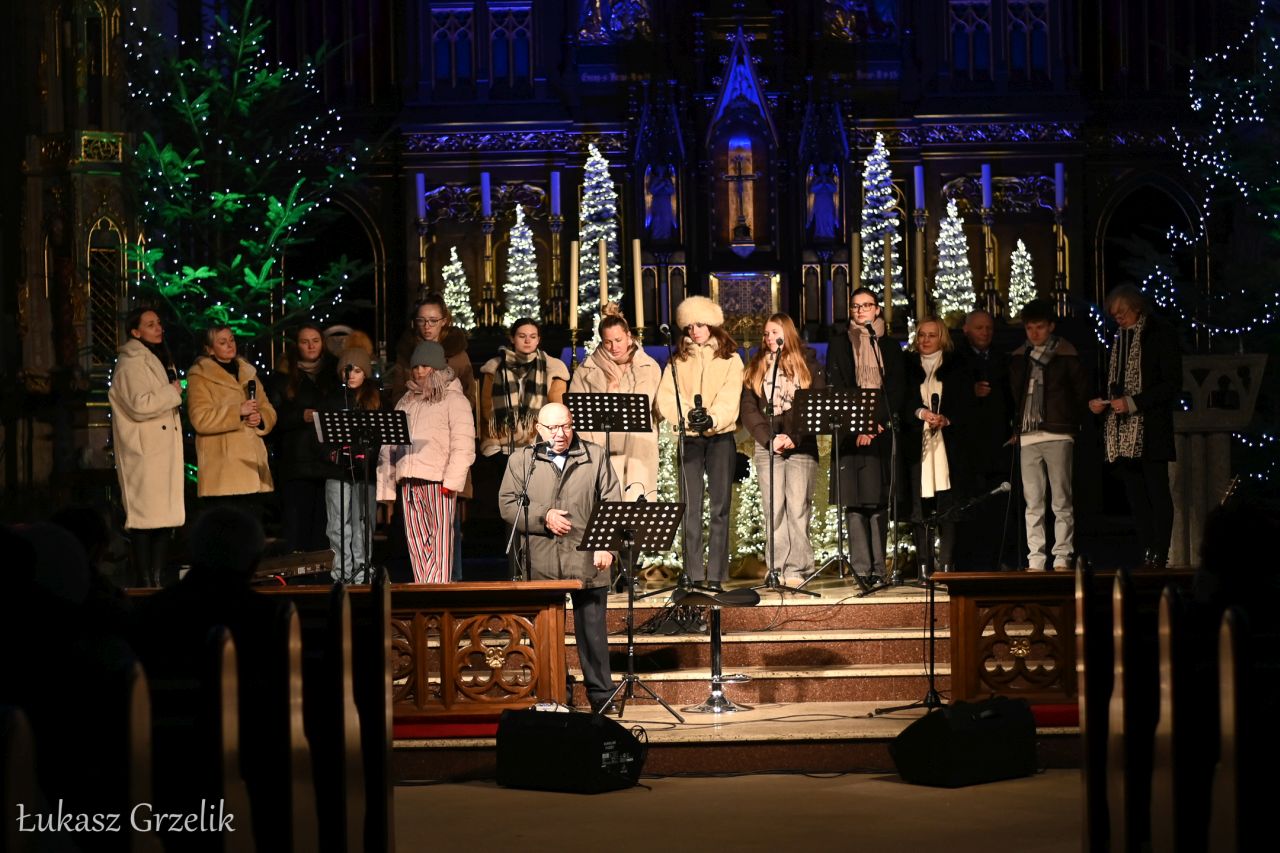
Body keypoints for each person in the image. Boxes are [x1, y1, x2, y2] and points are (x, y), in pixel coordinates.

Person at [497, 403, 619, 712]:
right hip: (542, 560)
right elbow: (507, 504)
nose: (560, 434)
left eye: (565, 426)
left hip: (587, 557)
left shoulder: (595, 456)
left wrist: (607, 545)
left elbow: (611, 502)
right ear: (538, 429)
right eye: (552, 428)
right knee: (549, 635)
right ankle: (555, 696)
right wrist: (543, 517)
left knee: (592, 634)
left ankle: (601, 697)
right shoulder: (523, 460)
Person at [1089, 285, 1183, 569]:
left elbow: (1171, 384)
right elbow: (1114, 382)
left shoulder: (1159, 334)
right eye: (1114, 315)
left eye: (1122, 312)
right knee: (1136, 496)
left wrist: (1133, 403)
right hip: (1121, 432)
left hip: (1150, 429)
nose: (1117, 318)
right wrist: (1103, 403)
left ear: (1137, 307)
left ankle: (1160, 551)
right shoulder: (1120, 338)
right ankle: (1146, 550)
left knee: (1157, 492)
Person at [655, 296, 744, 591]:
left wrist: (713, 418)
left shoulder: (731, 359)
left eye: (701, 324)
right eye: (690, 326)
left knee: (720, 507)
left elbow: (732, 396)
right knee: (690, 507)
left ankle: (716, 576)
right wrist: (687, 418)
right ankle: (693, 575)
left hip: (720, 438)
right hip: (690, 439)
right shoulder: (678, 359)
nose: (695, 331)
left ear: (713, 326)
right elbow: (666, 396)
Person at [378, 341, 476, 583]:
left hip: (438, 481)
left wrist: (452, 482)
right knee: (416, 542)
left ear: (437, 368)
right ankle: (424, 591)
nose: (420, 371)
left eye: (425, 366)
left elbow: (463, 445)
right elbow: (388, 447)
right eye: (416, 367)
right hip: (409, 482)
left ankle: (438, 594)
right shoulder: (406, 402)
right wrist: (386, 488)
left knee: (440, 543)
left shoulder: (454, 400)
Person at [740, 312, 826, 583]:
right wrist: (769, 439)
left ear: (787, 333)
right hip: (769, 446)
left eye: (774, 332)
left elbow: (814, 403)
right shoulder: (757, 365)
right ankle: (777, 569)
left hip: (800, 445)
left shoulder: (809, 364)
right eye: (765, 333)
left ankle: (797, 568)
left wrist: (793, 436)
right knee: (774, 508)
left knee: (798, 507)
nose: (769, 338)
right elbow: (749, 408)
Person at [826, 287, 905, 581]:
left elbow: (896, 389)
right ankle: (861, 569)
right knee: (855, 500)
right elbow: (839, 387)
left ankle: (880, 569)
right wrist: (858, 426)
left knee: (877, 499)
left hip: (880, 432)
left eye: (867, 306)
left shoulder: (890, 346)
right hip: (849, 433)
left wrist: (874, 425)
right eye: (856, 307)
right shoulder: (839, 344)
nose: (861, 311)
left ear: (877, 310)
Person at [107, 306, 185, 586]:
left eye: (159, 323)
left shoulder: (159, 359)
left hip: (160, 452)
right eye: (150, 324)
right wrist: (172, 392)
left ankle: (157, 580)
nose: (158, 328)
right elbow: (140, 404)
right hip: (145, 454)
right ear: (135, 331)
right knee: (145, 520)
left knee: (163, 520)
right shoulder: (130, 363)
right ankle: (144, 584)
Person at [1009, 299, 1088, 571]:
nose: (1034, 333)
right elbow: (1015, 396)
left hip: (1059, 432)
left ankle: (1063, 555)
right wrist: (1016, 428)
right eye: (1029, 328)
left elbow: (1079, 392)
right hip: (1029, 435)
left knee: (1061, 499)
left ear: (1051, 327)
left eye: (1040, 327)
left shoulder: (1065, 353)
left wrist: (1072, 422)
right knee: (1033, 501)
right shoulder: (1020, 356)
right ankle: (1036, 558)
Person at [901, 318, 974, 575]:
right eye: (921, 335)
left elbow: (965, 401)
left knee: (948, 505)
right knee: (919, 507)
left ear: (941, 337)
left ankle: (946, 565)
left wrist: (946, 418)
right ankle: (924, 566)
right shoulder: (907, 365)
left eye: (931, 335)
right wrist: (922, 413)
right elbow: (902, 399)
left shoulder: (956, 365)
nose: (925, 340)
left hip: (948, 444)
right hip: (917, 445)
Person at [567, 307, 662, 501]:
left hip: (638, 449)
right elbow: (576, 414)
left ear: (628, 336)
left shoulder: (648, 366)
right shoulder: (586, 370)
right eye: (608, 342)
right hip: (602, 450)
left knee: (638, 510)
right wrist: (591, 448)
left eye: (618, 340)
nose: (613, 347)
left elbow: (657, 407)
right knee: (605, 510)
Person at [186, 325, 278, 512]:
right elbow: (200, 419)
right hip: (223, 472)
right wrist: (237, 411)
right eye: (222, 342)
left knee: (252, 529)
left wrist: (260, 419)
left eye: (231, 340)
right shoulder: (200, 376)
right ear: (210, 349)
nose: (230, 345)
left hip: (252, 466)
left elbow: (267, 407)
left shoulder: (247, 372)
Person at [952, 309, 1016, 570]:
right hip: (968, 444)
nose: (985, 333)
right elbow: (950, 396)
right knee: (969, 504)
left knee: (996, 506)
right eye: (979, 328)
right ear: (966, 330)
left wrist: (1015, 426)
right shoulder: (956, 359)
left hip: (997, 441)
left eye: (988, 328)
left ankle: (996, 559)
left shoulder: (1002, 358)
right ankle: (967, 563)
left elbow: (1012, 395)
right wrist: (971, 392)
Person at [266, 322, 338, 552]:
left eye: (315, 341)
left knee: (323, 529)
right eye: (305, 341)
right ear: (297, 345)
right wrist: (301, 415)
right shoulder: (283, 377)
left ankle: (321, 581)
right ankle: (296, 582)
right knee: (296, 529)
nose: (311, 346)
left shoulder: (334, 372)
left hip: (328, 462)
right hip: (296, 462)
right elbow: (273, 418)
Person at [322, 347, 382, 583]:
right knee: (337, 523)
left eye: (357, 370)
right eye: (348, 370)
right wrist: (332, 454)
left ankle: (362, 570)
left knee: (363, 523)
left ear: (365, 372)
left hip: (364, 472)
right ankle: (341, 572)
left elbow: (380, 438)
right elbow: (320, 436)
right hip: (337, 470)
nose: (352, 375)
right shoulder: (332, 400)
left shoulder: (375, 400)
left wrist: (367, 454)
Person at [478, 318, 569, 457]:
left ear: (538, 339)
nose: (528, 341)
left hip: (540, 442)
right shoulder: (495, 367)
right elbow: (486, 408)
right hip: (502, 444)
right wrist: (495, 443)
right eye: (522, 336)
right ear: (512, 338)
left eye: (532, 337)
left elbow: (557, 410)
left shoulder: (553, 367)